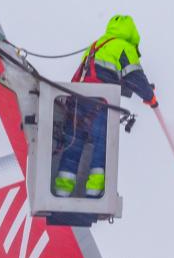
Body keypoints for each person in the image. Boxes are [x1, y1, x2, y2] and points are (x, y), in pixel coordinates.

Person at [53, 15, 159, 198]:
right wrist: (150, 97)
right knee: (101, 146)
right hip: (100, 103)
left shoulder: (96, 45)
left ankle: (62, 191)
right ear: (131, 33)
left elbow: (99, 73)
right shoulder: (124, 47)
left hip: (78, 101)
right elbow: (135, 77)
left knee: (73, 146)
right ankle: (94, 193)